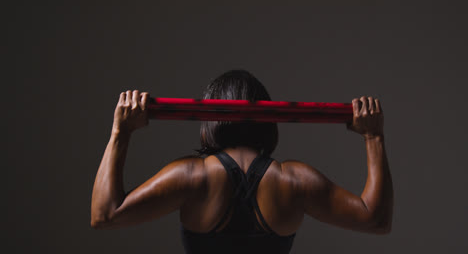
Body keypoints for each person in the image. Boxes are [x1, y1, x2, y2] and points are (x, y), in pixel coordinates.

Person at [91, 70, 393, 254]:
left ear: (209, 120)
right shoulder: (294, 181)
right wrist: (373, 138)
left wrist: (121, 131)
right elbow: (376, 220)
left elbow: (104, 215)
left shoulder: (192, 177)